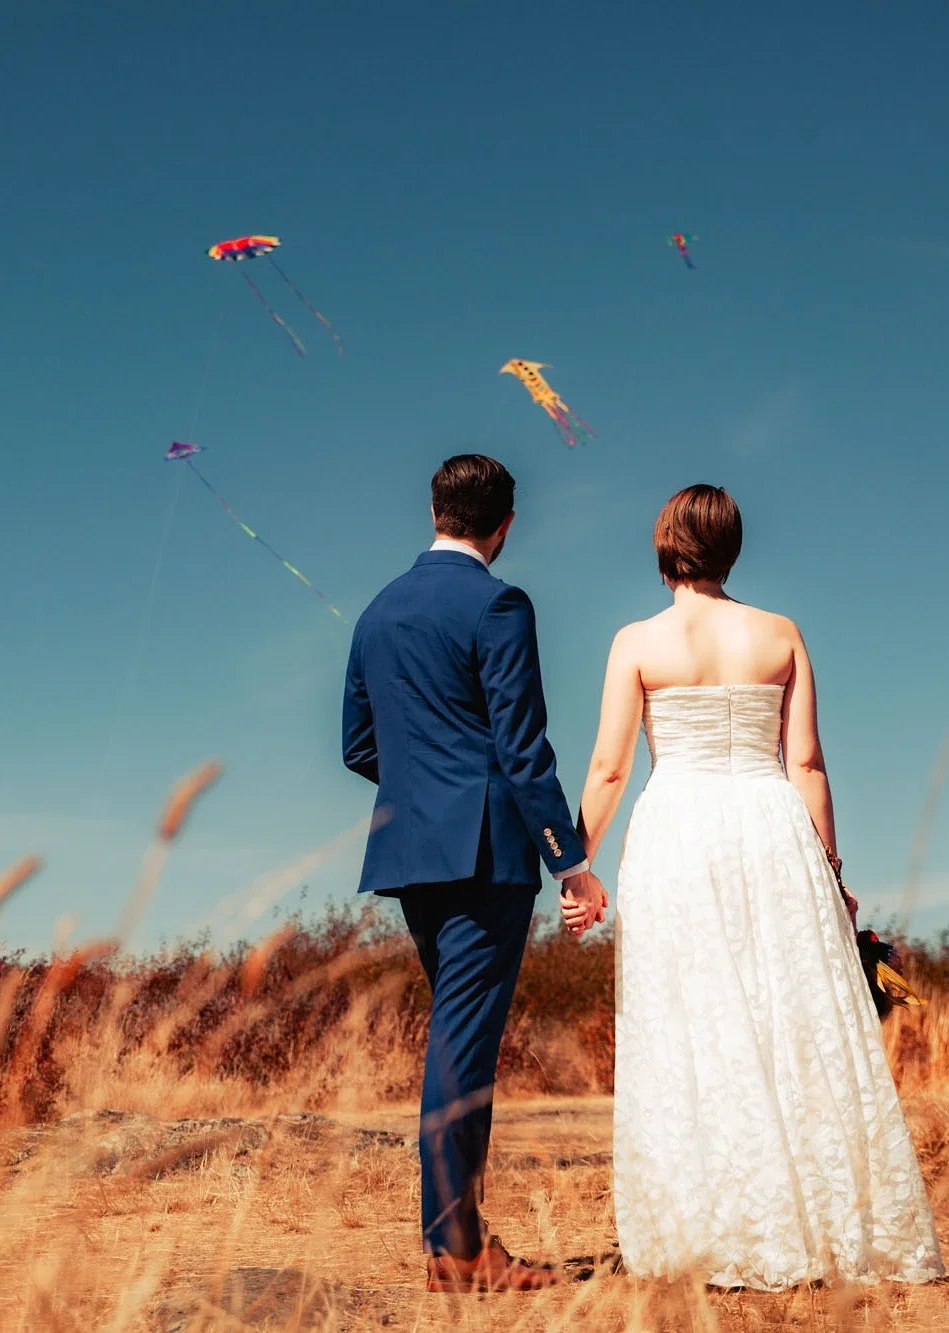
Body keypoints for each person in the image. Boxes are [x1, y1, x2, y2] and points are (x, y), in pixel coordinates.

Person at [562, 483, 944, 1289]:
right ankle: (824, 1225)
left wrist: (578, 865)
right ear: (731, 545)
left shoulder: (635, 640)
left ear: (665, 542)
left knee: (688, 1018)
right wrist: (831, 874)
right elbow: (804, 761)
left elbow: (609, 767)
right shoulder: (779, 632)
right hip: (770, 826)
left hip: (677, 830)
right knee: (791, 1017)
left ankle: (717, 1225)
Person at [343, 454, 607, 1293]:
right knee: (462, 1049)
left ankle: (459, 1237)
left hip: (410, 853)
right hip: (487, 852)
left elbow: (356, 744)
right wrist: (570, 860)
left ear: (432, 509)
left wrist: (424, 789)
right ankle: (456, 1252)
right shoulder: (498, 602)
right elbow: (524, 748)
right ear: (505, 525)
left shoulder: (378, 611)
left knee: (457, 1043)